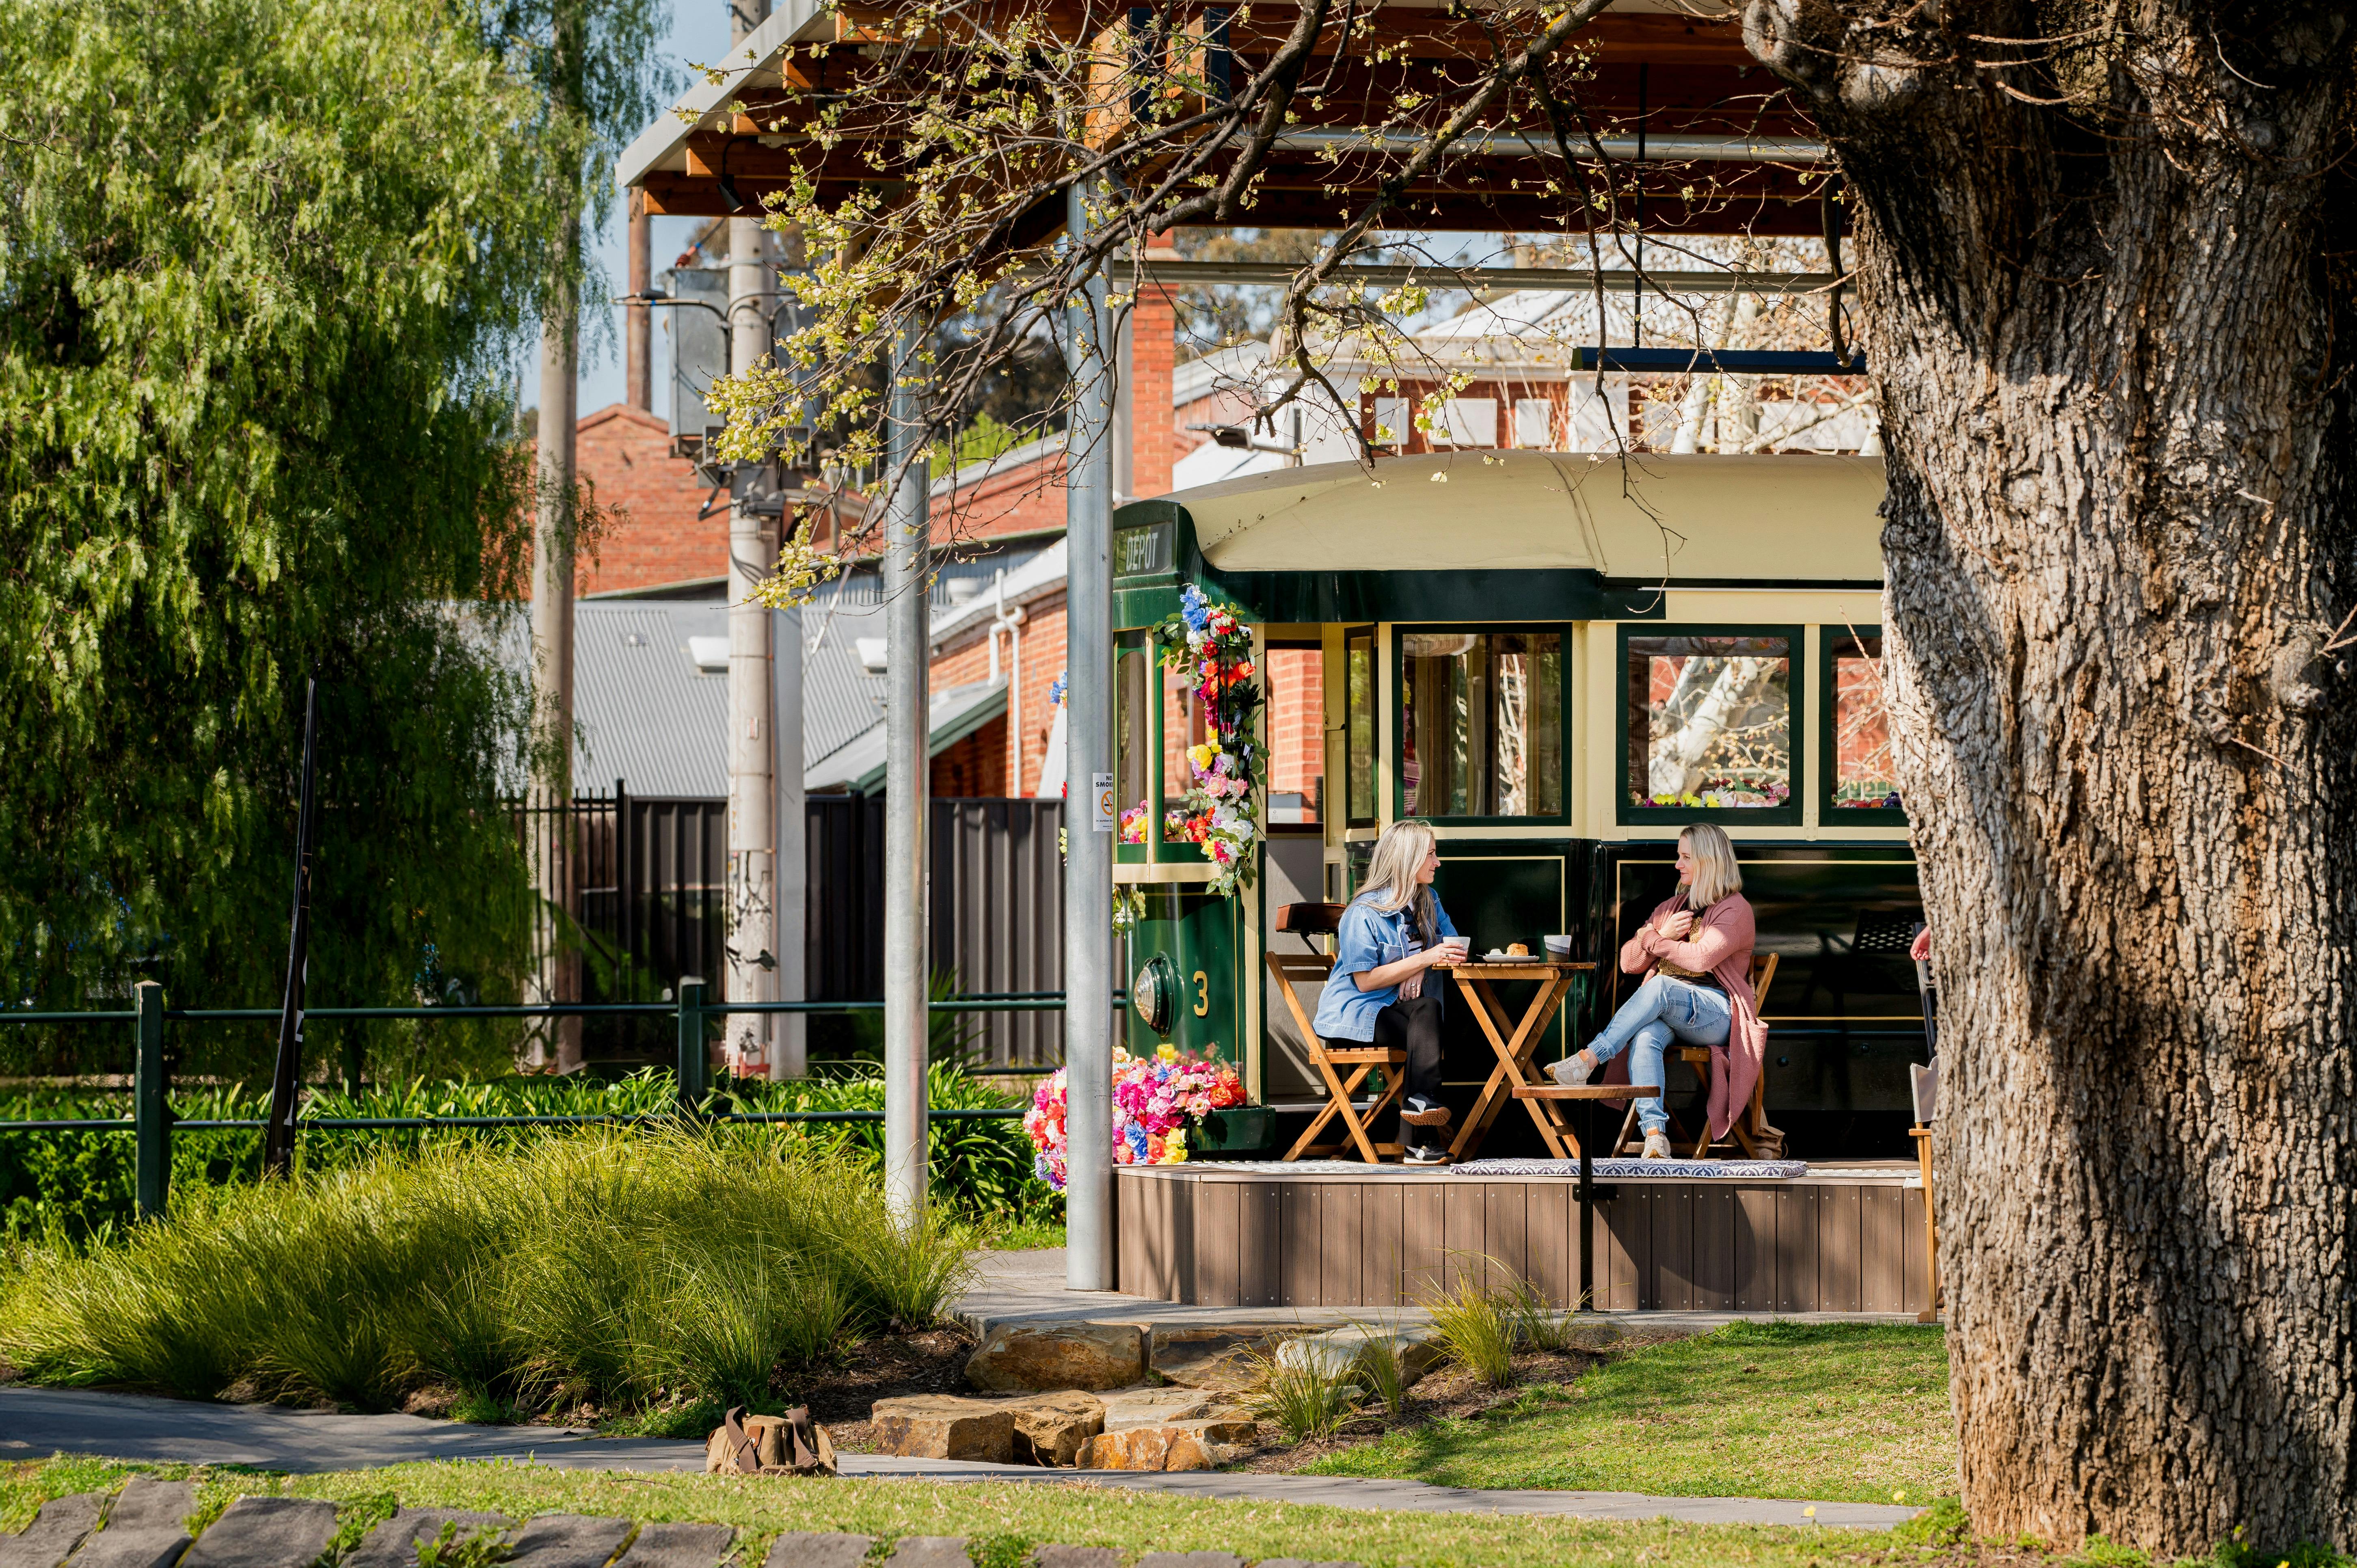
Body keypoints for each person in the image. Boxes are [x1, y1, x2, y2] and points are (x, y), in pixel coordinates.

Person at [1550, 821, 1767, 1161]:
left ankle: (1590, 1058)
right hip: (1672, 1011)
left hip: (1718, 1014)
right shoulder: (1672, 907)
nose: (1677, 864)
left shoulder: (1734, 909)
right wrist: (1661, 932)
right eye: (1678, 857)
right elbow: (1628, 963)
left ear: (1709, 860)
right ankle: (1655, 1136)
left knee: (1663, 986)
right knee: (1645, 1036)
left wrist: (1653, 938)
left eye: (1685, 857)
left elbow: (1699, 959)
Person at [1312, 819, 1466, 1165]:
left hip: (1405, 1010)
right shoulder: (1362, 913)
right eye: (1430, 854)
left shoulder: (1428, 900)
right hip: (1358, 1013)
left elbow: (1455, 946)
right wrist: (1425, 957)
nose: (1437, 862)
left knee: (1427, 1010)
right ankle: (1420, 1136)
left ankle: (1419, 1106)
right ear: (1407, 859)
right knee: (1424, 1018)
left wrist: (1422, 966)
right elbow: (1365, 982)